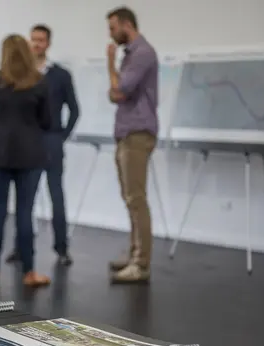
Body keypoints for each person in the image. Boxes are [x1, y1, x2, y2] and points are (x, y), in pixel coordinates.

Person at [0, 34, 52, 288]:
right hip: (30, 155)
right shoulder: (40, 83)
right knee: (24, 212)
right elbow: (48, 121)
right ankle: (29, 272)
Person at [5, 24, 80, 266]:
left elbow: (75, 109)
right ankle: (20, 247)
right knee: (25, 197)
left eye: (41, 40)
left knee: (56, 194)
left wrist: (61, 136)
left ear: (48, 43)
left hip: (51, 140)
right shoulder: (22, 74)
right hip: (28, 141)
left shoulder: (61, 75)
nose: (36, 44)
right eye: (33, 39)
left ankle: (62, 249)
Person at [105, 7, 159, 283]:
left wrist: (109, 64)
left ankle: (141, 263)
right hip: (127, 133)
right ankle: (134, 253)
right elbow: (115, 95)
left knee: (136, 200)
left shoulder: (142, 53)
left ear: (127, 24)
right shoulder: (133, 55)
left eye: (113, 27)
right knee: (131, 200)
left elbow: (118, 91)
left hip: (137, 134)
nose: (110, 34)